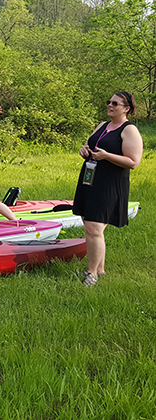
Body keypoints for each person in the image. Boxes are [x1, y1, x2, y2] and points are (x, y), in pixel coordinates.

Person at [74, 91, 143, 286]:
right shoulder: (103, 125)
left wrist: (107, 157)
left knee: (94, 227)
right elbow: (90, 144)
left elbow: (133, 162)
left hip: (110, 183)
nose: (110, 105)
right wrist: (84, 150)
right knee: (89, 224)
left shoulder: (129, 130)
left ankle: (92, 273)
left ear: (126, 108)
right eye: (109, 102)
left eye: (115, 103)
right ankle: (99, 270)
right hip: (91, 179)